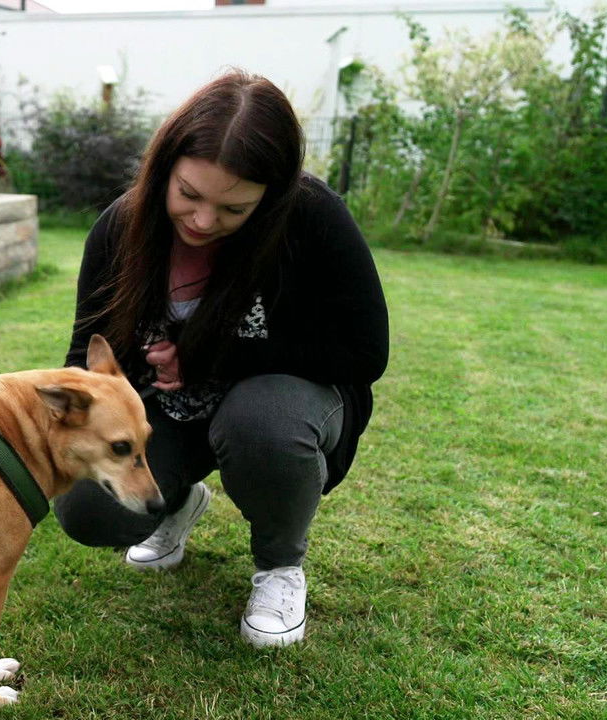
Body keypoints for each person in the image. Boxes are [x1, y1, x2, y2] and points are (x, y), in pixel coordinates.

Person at [56, 70, 388, 648]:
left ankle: (281, 566)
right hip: (175, 410)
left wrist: (215, 352)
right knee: (88, 507)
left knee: (261, 423)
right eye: (188, 194)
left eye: (234, 209)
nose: (204, 221)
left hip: (283, 400)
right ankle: (178, 501)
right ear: (165, 167)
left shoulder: (311, 218)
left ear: (272, 196)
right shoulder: (120, 227)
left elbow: (366, 349)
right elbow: (85, 354)